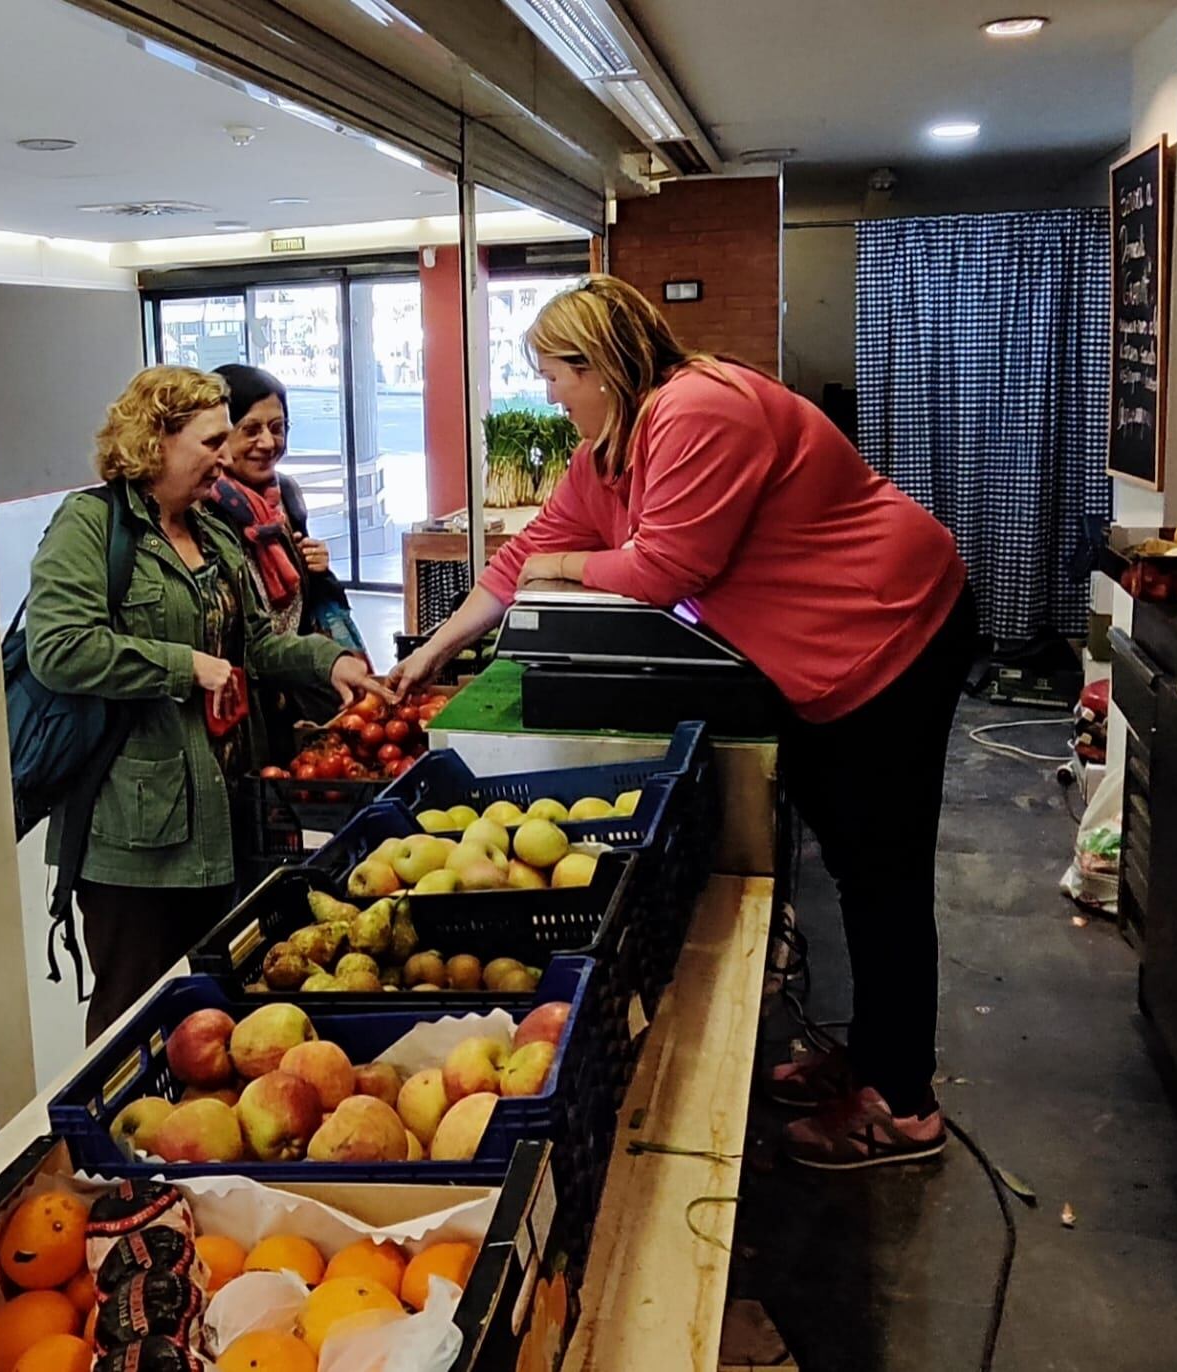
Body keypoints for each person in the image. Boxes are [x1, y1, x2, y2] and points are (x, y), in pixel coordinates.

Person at [392, 276, 974, 1169]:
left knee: (882, 870)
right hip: (820, 657)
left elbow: (665, 567)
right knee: (859, 867)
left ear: (603, 365)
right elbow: (520, 561)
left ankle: (903, 1105)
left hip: (890, 628)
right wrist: (436, 649)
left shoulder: (701, 409)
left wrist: (573, 562)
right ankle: (871, 1058)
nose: (548, 395)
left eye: (553, 374)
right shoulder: (609, 453)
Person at [27, 365, 390, 1040]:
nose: (227, 455)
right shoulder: (90, 527)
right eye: (212, 440)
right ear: (154, 440)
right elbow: (60, 647)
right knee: (135, 1014)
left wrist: (329, 658)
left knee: (218, 997)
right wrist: (182, 665)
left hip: (225, 810)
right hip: (135, 832)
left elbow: (255, 645)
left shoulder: (214, 533)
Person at [205, 363, 366, 759]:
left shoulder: (286, 496)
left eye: (277, 428)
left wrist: (317, 567)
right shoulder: (202, 507)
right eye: (251, 429)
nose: (267, 442)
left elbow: (298, 598)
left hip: (293, 692)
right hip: (235, 703)